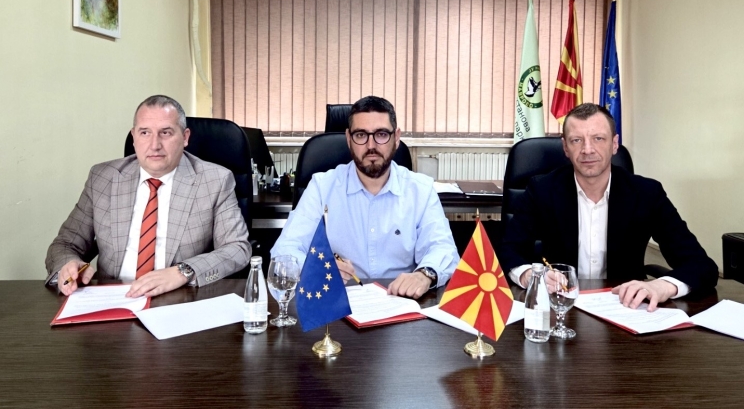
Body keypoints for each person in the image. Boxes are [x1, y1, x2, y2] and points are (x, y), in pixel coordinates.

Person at [499, 103, 718, 311]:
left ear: (614, 144)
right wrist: (528, 275)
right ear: (565, 147)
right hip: (561, 306)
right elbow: (509, 250)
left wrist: (663, 285)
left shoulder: (647, 193)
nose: (587, 150)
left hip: (626, 308)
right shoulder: (542, 190)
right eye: (576, 140)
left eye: (598, 138)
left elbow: (701, 265)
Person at [45, 95, 251, 298]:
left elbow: (237, 248)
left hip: (179, 298)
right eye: (145, 133)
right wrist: (68, 264)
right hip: (112, 299)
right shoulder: (103, 178)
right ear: (134, 137)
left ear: (185, 137)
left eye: (166, 133)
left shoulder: (214, 180)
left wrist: (183, 271)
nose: (154, 145)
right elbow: (65, 244)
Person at [271, 96, 459, 299]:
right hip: (336, 302)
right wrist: (316, 268)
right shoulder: (322, 187)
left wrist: (424, 274)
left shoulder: (421, 190)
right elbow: (285, 251)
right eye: (361, 135)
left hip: (401, 302)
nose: (371, 145)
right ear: (348, 138)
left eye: (381, 134)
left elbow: (442, 248)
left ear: (396, 137)